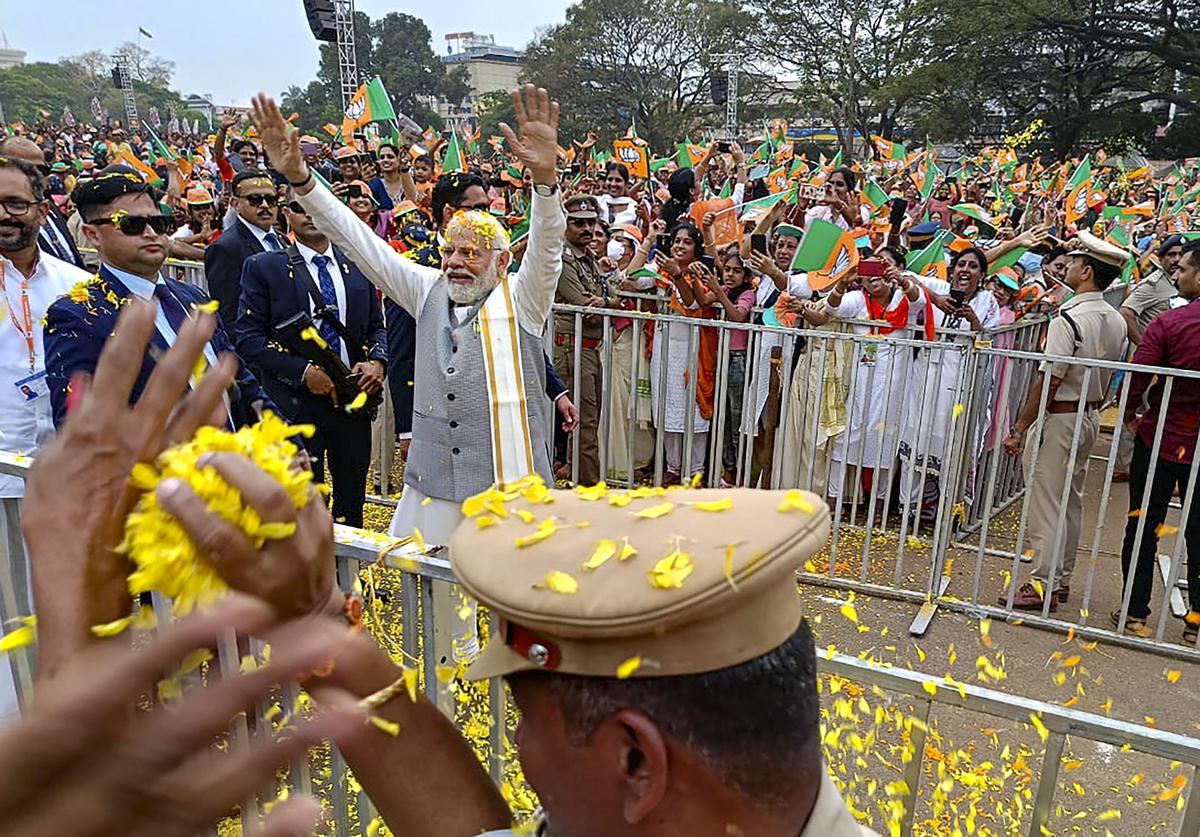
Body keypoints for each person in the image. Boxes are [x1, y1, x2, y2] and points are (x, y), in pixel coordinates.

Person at [251, 86, 565, 545]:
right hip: (435, 491)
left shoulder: (524, 297)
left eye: (471, 254)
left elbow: (548, 247)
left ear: (501, 262)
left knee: (512, 604)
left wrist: (544, 182)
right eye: (451, 251)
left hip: (512, 489)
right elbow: (358, 242)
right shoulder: (426, 289)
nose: (456, 262)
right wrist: (301, 178)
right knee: (436, 605)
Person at [43, 169, 271, 430]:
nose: (151, 232)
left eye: (159, 224)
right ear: (93, 235)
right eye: (131, 225)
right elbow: (82, 432)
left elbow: (241, 379)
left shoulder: (192, 297)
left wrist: (285, 440)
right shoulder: (78, 316)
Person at [235, 190, 387, 527]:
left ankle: (349, 575)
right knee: (303, 502)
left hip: (353, 402)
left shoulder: (357, 263)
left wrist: (377, 362)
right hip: (295, 406)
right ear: (286, 213)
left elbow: (377, 326)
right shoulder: (265, 267)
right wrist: (303, 372)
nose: (309, 215)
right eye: (299, 209)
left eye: (316, 208)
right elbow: (248, 337)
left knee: (351, 498)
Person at [1001, 232, 1128, 611]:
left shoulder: (1069, 318)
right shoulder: (1114, 318)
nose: (1067, 266)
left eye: (1073, 262)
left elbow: (1050, 379)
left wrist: (1020, 428)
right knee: (1069, 503)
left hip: (1061, 418)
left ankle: (1042, 584)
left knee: (1046, 504)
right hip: (1088, 415)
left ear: (1086, 270)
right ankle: (1061, 580)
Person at [1114, 238, 1200, 641]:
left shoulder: (1170, 323)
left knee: (1144, 523)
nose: (1176, 275)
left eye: (1182, 269)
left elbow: (1139, 372)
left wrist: (1130, 412)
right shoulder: (1172, 319)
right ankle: (1195, 621)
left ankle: (1135, 613)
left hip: (1162, 438)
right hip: (1185, 443)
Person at [0, 155, 91, 500]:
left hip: (70, 479)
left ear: (42, 212)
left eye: (15, 204)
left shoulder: (78, 285)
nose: (3, 214)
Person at [898, 246, 1001, 524]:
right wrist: (937, 299)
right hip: (927, 377)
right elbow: (903, 275)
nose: (965, 270)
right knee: (918, 434)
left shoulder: (987, 301)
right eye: (961, 265)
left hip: (961, 380)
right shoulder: (939, 286)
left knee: (954, 444)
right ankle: (909, 510)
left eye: (973, 266)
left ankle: (950, 515)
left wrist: (972, 320)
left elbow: (988, 340)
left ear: (981, 274)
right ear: (953, 269)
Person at [823, 259, 924, 509]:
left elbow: (920, 301)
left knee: (886, 441)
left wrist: (901, 278)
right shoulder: (857, 298)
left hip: (894, 386)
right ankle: (834, 498)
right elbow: (832, 309)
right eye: (866, 272)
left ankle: (879, 503)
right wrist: (841, 285)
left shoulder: (902, 297)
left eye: (879, 270)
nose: (873, 277)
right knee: (846, 438)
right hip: (859, 386)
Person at [553, 194, 614, 486]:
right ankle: (590, 493)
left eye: (591, 223)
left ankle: (583, 487)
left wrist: (603, 303)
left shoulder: (589, 259)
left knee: (589, 423)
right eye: (579, 223)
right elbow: (584, 307)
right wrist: (603, 304)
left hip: (589, 348)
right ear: (565, 224)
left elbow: (611, 300)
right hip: (573, 349)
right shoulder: (563, 258)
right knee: (584, 425)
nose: (587, 229)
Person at [1113, 234, 1184, 480]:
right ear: (1161, 258)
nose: (1175, 259)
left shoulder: (1180, 283)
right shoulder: (1153, 284)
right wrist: (1145, 346)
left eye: (1179, 254)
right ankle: (1125, 466)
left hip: (1166, 362)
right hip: (1146, 362)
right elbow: (1126, 311)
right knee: (1133, 408)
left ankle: (1145, 467)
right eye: (1170, 255)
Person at [204, 169, 284, 330]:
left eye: (271, 199)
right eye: (254, 199)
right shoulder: (225, 248)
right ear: (235, 204)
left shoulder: (282, 239)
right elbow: (229, 314)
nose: (265, 205)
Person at [0, 137, 88, 270]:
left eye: (40, 170)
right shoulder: (6, 221)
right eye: (21, 169)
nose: (33, 177)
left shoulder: (50, 208)